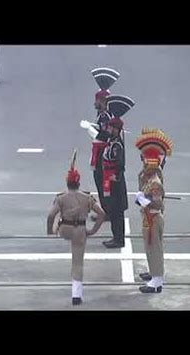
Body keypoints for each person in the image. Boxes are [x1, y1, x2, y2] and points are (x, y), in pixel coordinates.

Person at [47, 150, 105, 305]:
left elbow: (51, 216)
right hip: (80, 230)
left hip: (64, 229)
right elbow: (102, 214)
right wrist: (93, 230)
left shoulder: (61, 197)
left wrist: (50, 232)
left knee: (62, 222)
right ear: (78, 183)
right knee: (77, 262)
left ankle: (57, 232)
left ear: (67, 183)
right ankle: (76, 295)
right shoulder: (86, 198)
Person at [135, 128, 173, 293]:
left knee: (155, 248)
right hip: (148, 218)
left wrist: (143, 201)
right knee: (149, 247)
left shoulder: (155, 182)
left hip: (154, 218)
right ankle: (153, 273)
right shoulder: (149, 177)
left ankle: (157, 281)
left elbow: (157, 204)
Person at [82, 68, 120, 221]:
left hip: (103, 153)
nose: (95, 103)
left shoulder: (105, 115)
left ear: (103, 101)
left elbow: (103, 136)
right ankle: (106, 210)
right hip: (102, 151)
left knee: (102, 181)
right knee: (102, 182)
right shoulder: (104, 114)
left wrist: (90, 129)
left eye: (97, 100)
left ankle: (107, 212)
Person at [101, 95, 135, 249]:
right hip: (109, 179)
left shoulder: (117, 145)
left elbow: (120, 164)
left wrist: (115, 176)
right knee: (113, 210)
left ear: (116, 129)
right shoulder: (112, 142)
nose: (108, 129)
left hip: (115, 182)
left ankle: (119, 239)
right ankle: (115, 236)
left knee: (117, 211)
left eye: (110, 127)